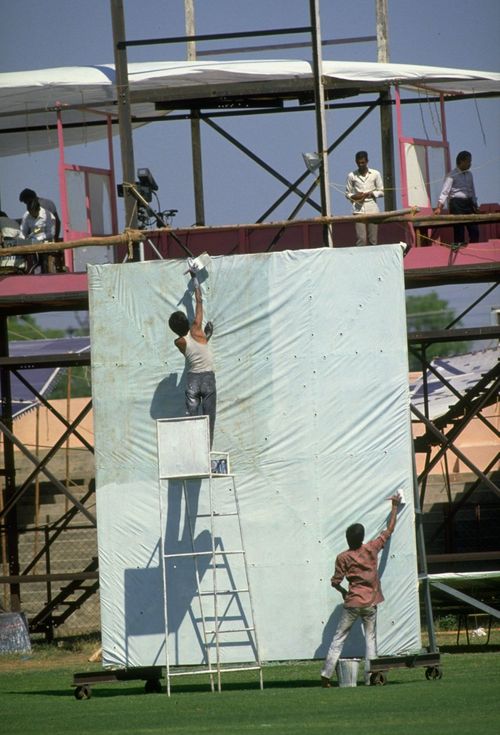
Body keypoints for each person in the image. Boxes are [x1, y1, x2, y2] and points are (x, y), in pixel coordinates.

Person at [321, 492, 402, 688]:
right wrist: (394, 506)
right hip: (371, 602)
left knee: (338, 638)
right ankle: (371, 677)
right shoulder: (372, 548)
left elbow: (335, 582)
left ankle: (326, 674)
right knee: (371, 641)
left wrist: (343, 592)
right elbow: (389, 530)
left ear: (347, 539)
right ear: (362, 537)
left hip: (352, 602)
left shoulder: (342, 557)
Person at [168, 269, 216, 447]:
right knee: (209, 417)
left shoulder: (178, 342)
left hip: (193, 379)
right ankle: (207, 448)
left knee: (192, 417)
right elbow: (199, 301)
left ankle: (193, 446)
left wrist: (206, 337)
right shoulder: (197, 328)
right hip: (208, 378)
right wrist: (195, 278)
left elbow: (191, 353)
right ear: (187, 322)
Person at [433, 151, 479, 246]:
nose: (470, 164)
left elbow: (472, 191)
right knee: (459, 228)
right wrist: (439, 207)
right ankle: (459, 248)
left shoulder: (470, 174)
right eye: (468, 161)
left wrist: (475, 204)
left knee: (474, 229)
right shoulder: (451, 175)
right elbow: (445, 192)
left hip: (468, 203)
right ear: (461, 161)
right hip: (456, 203)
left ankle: (474, 247)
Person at [19, 188, 64, 271]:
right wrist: (56, 239)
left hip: (43, 241)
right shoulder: (49, 203)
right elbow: (58, 222)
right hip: (47, 240)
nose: (26, 205)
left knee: (42, 266)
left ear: (29, 199)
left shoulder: (38, 208)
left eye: (26, 202)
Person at [345, 151, 384, 246]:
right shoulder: (351, 175)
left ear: (367, 162)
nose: (361, 165)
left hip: (372, 209)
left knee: (373, 240)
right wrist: (355, 196)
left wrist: (372, 194)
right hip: (358, 210)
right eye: (358, 163)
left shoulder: (375, 174)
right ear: (356, 162)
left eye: (362, 162)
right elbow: (347, 193)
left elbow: (382, 191)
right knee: (361, 239)